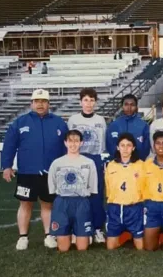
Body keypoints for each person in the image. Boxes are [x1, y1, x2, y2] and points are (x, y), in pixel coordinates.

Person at [1, 88, 68, 250]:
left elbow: (67, 147)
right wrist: (6, 166)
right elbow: (9, 145)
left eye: (43, 101)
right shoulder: (20, 122)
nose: (40, 104)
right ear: (31, 103)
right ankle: (23, 237)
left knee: (47, 205)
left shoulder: (59, 122)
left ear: (48, 104)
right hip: (27, 172)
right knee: (25, 204)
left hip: (50, 173)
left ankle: (48, 235)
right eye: (37, 101)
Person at [67, 88, 107, 243]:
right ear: (80, 102)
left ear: (95, 102)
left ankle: (97, 229)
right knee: (77, 194)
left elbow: (102, 144)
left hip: (95, 160)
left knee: (96, 196)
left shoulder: (100, 120)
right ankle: (77, 229)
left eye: (91, 100)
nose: (88, 103)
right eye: (86, 100)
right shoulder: (73, 120)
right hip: (78, 159)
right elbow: (69, 141)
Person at [48, 130, 98, 252]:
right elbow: (53, 186)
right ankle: (67, 233)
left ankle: (79, 234)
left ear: (81, 143)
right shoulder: (57, 163)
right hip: (62, 203)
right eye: (70, 141)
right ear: (65, 143)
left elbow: (92, 187)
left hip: (81, 202)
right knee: (63, 248)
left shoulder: (89, 163)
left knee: (82, 248)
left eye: (76, 141)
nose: (73, 144)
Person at [104, 133, 146, 250]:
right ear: (118, 147)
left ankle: (131, 236)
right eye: (122, 145)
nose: (125, 149)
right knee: (110, 247)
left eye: (128, 145)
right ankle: (122, 237)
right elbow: (108, 188)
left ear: (133, 148)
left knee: (141, 247)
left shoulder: (141, 165)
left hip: (135, 208)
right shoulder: (111, 165)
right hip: (115, 208)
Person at [106, 94, 150, 161]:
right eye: (126, 104)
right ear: (122, 106)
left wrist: (137, 160)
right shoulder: (113, 125)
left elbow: (146, 148)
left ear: (136, 107)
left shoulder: (144, 126)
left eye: (132, 105)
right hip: (118, 164)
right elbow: (110, 145)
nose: (129, 107)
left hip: (138, 164)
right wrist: (119, 160)